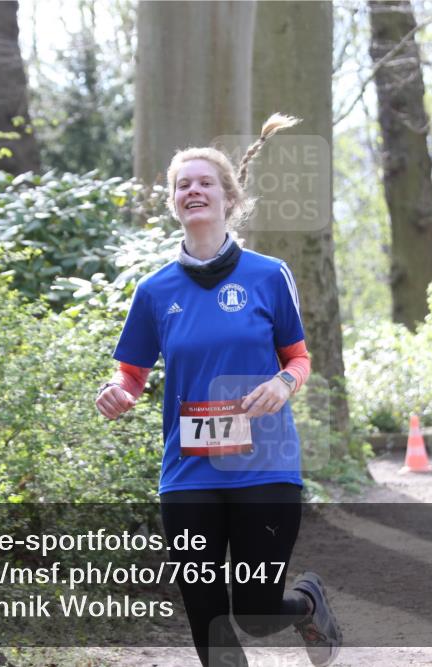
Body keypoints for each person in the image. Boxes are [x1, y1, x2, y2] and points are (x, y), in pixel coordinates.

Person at [95, 113, 341, 667]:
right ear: (174, 203)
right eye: (183, 184)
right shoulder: (153, 291)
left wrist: (283, 383)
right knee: (207, 617)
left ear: (229, 198)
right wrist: (119, 392)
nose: (193, 190)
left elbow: (298, 359)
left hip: (265, 466)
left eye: (205, 181)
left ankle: (305, 605)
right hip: (188, 471)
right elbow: (130, 372)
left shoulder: (267, 275)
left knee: (254, 613)